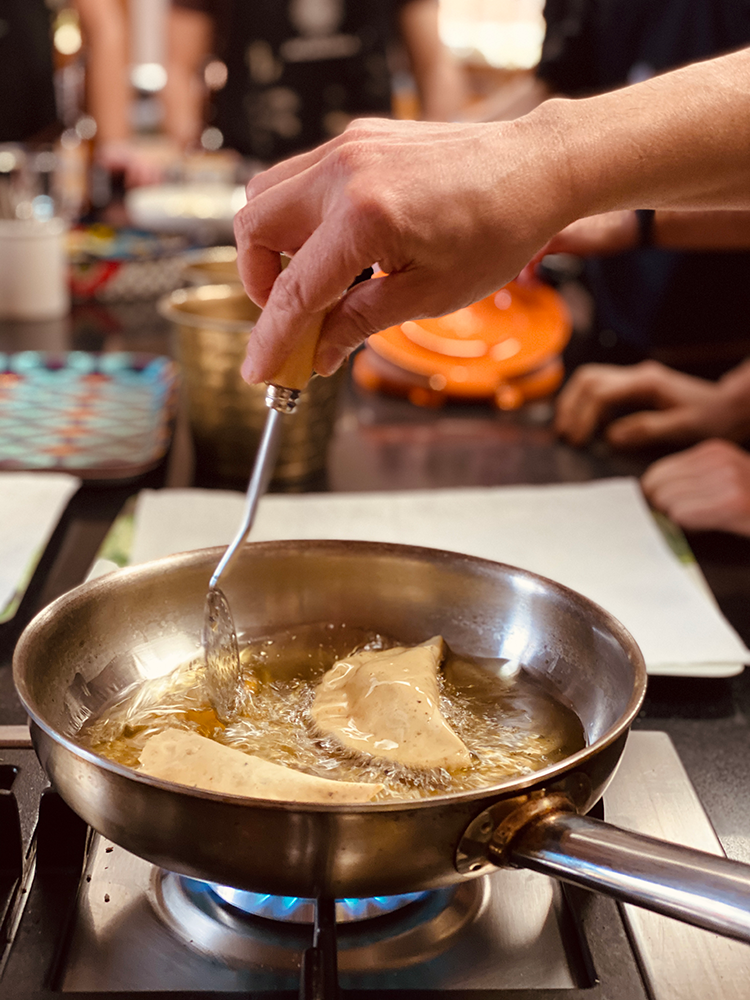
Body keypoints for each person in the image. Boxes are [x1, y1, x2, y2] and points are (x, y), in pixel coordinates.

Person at [467, 0, 750, 370]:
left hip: (723, 352)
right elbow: (559, 87)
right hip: (615, 326)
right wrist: (448, 156)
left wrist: (733, 403)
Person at [162, 0, 467, 165]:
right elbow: (179, 69)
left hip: (369, 169)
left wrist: (434, 156)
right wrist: (194, 156)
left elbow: (435, 64)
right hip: (256, 172)